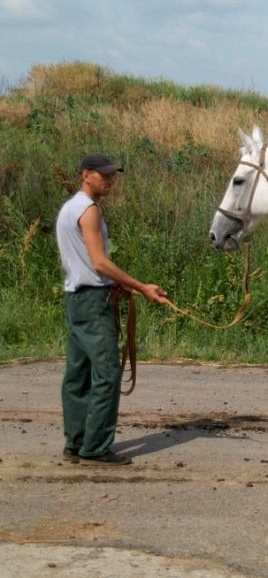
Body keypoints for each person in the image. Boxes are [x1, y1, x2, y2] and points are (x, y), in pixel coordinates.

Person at [55, 153, 167, 466]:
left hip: (76, 298)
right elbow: (99, 262)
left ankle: (75, 443)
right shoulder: (88, 211)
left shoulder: (69, 209)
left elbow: (85, 263)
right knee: (106, 374)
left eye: (112, 175)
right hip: (92, 303)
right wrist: (142, 287)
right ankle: (95, 448)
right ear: (85, 174)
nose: (110, 180)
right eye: (104, 175)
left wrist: (119, 285)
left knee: (78, 375)